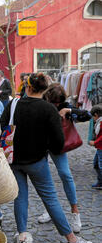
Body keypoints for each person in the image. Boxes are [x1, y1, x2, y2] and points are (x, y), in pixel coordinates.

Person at [0, 73, 93, 243]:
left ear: (27, 87)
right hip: (37, 161)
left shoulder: (13, 104)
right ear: (44, 90)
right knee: (50, 198)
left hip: (13, 160)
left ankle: (22, 236)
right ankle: (72, 241)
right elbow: (58, 143)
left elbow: (1, 127)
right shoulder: (48, 109)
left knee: (20, 198)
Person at [38, 83, 92, 232]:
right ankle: (50, 210)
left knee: (66, 175)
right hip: (40, 146)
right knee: (44, 179)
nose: (55, 104)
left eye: (58, 102)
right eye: (53, 102)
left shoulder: (64, 106)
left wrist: (68, 110)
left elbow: (87, 114)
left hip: (57, 147)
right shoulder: (41, 102)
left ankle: (75, 212)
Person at [89, 104, 102, 190]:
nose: (93, 119)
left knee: (100, 165)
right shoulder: (99, 122)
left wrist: (95, 142)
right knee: (96, 164)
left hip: (101, 147)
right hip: (99, 148)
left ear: (96, 115)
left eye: (93, 117)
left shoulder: (100, 123)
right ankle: (100, 182)